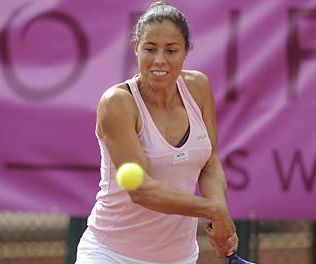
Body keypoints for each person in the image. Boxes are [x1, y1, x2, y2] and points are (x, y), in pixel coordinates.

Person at [76, 1, 239, 263]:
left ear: (186, 51)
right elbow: (141, 190)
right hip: (111, 254)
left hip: (179, 257)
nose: (159, 60)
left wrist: (218, 213)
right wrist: (214, 210)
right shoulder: (117, 103)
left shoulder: (198, 87)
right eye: (150, 49)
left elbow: (210, 163)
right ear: (136, 49)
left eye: (171, 50)